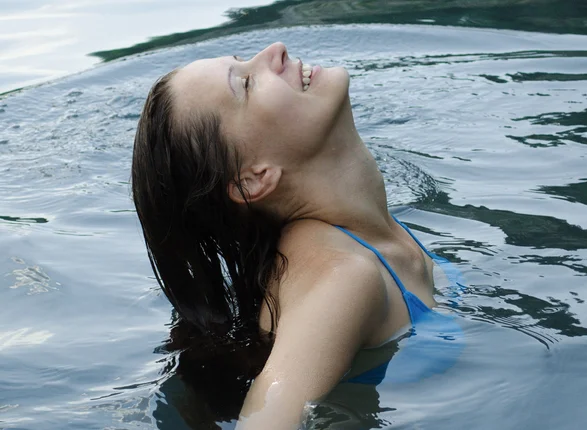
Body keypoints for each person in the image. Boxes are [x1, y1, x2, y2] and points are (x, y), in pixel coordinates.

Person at [131, 42, 464, 430]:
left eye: (243, 61)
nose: (276, 50)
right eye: (246, 84)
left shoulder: (370, 235)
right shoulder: (343, 276)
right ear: (253, 178)